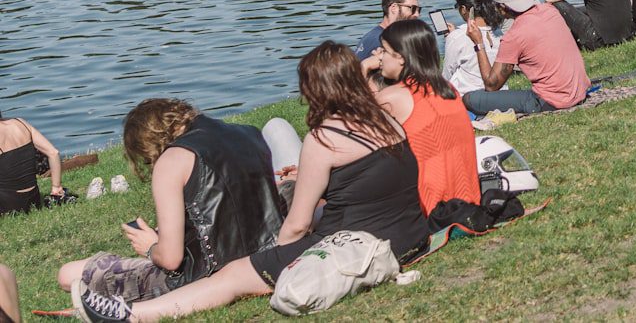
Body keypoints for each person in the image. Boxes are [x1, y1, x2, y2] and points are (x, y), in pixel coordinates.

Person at [74, 44, 431, 322]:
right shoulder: (388, 122)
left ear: (320, 90)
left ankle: (132, 316)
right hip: (409, 235)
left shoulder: (324, 140)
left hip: (356, 244)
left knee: (230, 277)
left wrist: (274, 255)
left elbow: (298, 224)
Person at [57, 99, 286, 306]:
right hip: (265, 260)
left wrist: (150, 247)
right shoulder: (249, 133)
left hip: (202, 275)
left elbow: (171, 259)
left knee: (68, 273)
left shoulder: (174, 159)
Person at [367, 20, 479, 214]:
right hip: (467, 198)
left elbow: (353, 134)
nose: (379, 58)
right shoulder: (446, 88)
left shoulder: (393, 98)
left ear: (401, 57)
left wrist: (362, 70)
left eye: (384, 51)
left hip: (429, 206)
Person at [460, 0, 589, 116]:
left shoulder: (514, 36)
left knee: (470, 98)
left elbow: (491, 85)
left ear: (502, 7)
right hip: (579, 91)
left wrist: (479, 43)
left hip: (550, 101)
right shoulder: (550, 10)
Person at [441, 0, 502, 96]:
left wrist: (452, 38)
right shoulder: (498, 32)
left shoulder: (458, 37)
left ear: (463, 9)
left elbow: (446, 75)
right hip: (500, 94)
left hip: (467, 97)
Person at [0, 110, 62, 214]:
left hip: (8, 204)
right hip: (34, 200)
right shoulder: (20, 122)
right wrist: (56, 188)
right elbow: (53, 153)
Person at [355, 0, 420, 60]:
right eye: (413, 9)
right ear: (394, 8)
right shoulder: (383, 44)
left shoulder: (373, 36)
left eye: (419, 10)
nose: (417, 14)